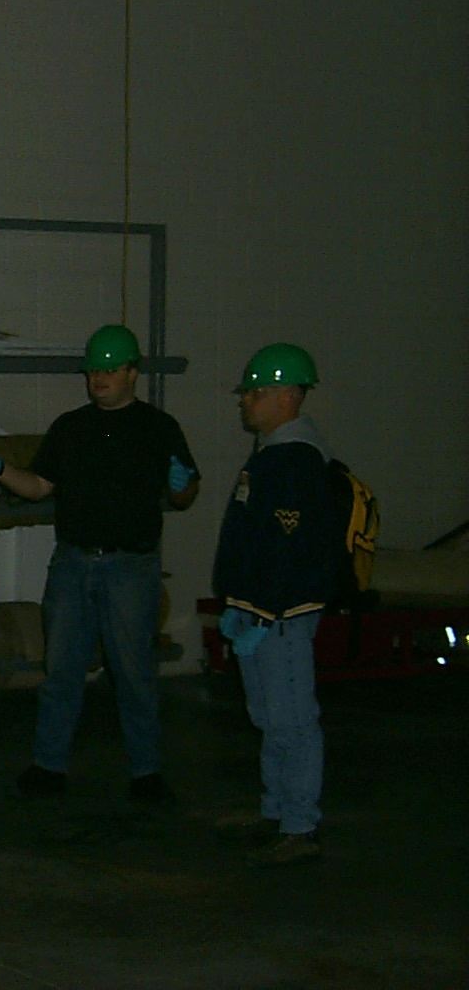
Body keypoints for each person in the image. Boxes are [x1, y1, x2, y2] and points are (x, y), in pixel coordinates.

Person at [0, 324, 200, 803]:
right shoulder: (71, 427)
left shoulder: (158, 428)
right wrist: (1, 469)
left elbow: (184, 495)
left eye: (110, 369)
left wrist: (181, 482)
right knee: (62, 669)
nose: (99, 378)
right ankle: (49, 765)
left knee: (133, 673)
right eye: (93, 370)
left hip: (131, 566)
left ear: (133, 373)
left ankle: (146, 772)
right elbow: (40, 486)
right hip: (73, 564)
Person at [213, 343, 336, 867]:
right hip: (260, 611)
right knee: (269, 717)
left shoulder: (294, 459)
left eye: (255, 392)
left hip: (280, 616)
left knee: (291, 720)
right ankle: (276, 809)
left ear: (286, 396)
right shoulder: (272, 451)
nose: (246, 402)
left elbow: (286, 547)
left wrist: (266, 612)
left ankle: (299, 824)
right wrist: (238, 600)